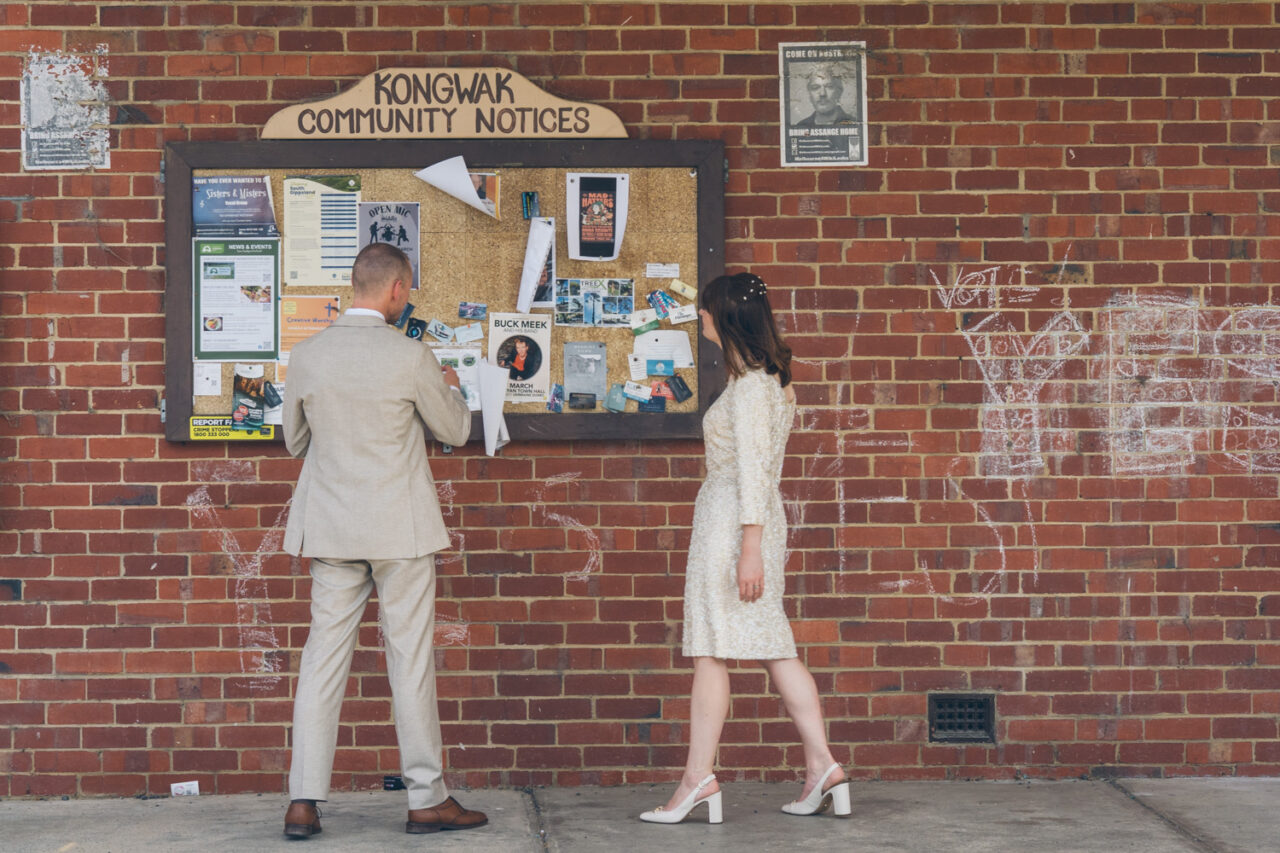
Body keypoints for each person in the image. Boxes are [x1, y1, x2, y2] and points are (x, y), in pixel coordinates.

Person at [280, 242, 484, 839]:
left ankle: (303, 801)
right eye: (409, 289)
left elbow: (295, 442)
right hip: (401, 527)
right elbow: (454, 429)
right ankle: (426, 799)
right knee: (410, 662)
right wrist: (450, 388)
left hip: (333, 528)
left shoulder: (309, 355)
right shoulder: (411, 355)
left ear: (355, 284)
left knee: (321, 660)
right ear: (397, 289)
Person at [639, 272, 850, 826]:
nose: (700, 318)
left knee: (712, 647)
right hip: (746, 519)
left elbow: (755, 470)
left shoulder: (754, 387)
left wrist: (749, 547)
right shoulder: (765, 382)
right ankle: (823, 766)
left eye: (706, 311)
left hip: (734, 523)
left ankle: (695, 781)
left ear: (725, 318)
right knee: (774, 645)